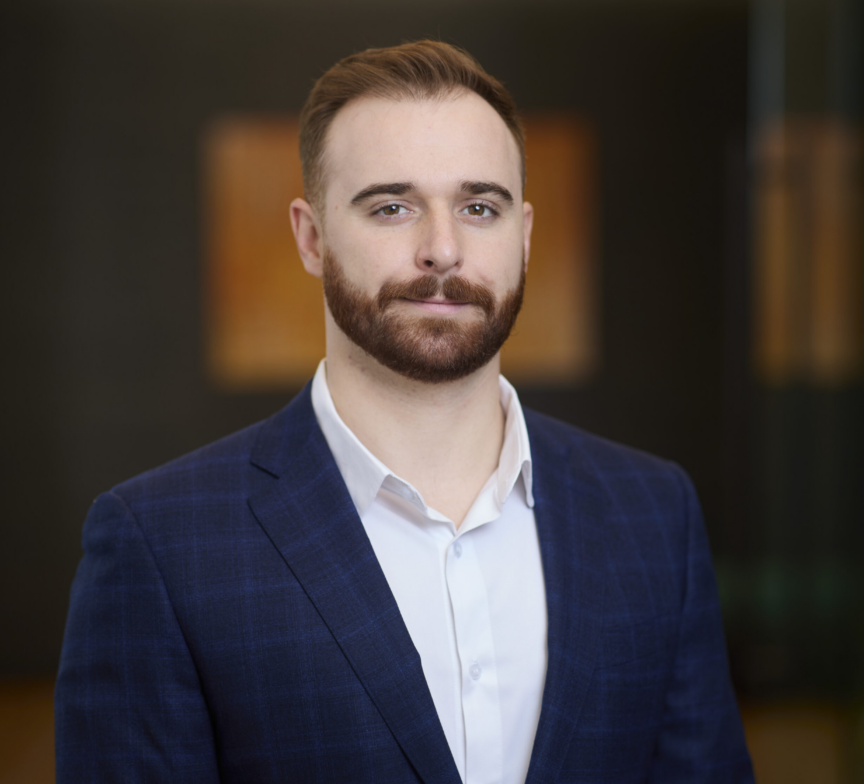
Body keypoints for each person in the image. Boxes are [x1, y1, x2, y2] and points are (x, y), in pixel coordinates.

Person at [55, 40, 754, 783]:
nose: (442, 249)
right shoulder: (159, 545)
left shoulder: (652, 512)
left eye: (479, 207)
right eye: (392, 207)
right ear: (311, 237)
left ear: (523, 236)